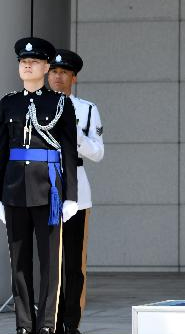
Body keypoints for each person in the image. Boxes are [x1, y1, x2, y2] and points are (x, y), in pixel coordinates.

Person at [0, 37, 79, 334]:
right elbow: (1, 151)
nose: (27, 65)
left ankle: (46, 325)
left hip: (49, 191)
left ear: (46, 67)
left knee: (49, 263)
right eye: (23, 61)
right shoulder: (8, 103)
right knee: (19, 263)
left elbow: (68, 150)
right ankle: (23, 324)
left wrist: (71, 196)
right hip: (14, 190)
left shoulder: (60, 103)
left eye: (33, 62)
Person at [48, 49, 104, 334]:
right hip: (42, 187)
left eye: (64, 73)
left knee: (73, 262)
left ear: (74, 78)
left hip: (77, 191)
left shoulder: (87, 109)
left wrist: (76, 135)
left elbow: (98, 153)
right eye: (54, 72)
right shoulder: (33, 106)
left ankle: (71, 324)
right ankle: (50, 322)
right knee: (49, 262)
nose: (58, 77)